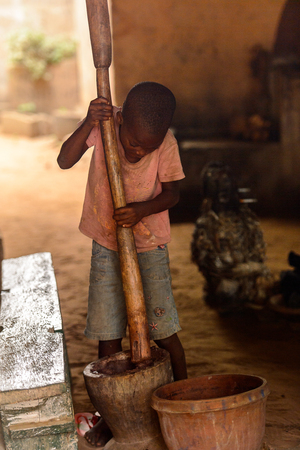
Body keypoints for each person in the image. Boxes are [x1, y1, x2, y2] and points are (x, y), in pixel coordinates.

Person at [57, 81, 187, 447]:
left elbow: (174, 192)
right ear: (121, 119)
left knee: (163, 328)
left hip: (149, 247)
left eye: (149, 147)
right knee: (108, 332)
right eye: (133, 143)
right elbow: (64, 160)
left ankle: (181, 400)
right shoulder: (103, 126)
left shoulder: (167, 143)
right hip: (106, 243)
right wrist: (87, 121)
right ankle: (109, 416)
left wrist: (143, 210)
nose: (139, 151)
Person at [191, 161, 274, 313]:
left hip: (249, 276)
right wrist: (246, 269)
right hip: (226, 281)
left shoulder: (246, 218)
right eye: (216, 184)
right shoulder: (206, 224)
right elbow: (209, 264)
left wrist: (254, 267)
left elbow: (258, 248)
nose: (223, 188)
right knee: (227, 290)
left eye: (226, 183)